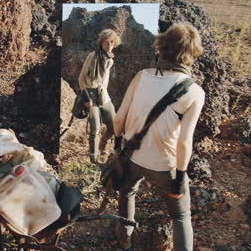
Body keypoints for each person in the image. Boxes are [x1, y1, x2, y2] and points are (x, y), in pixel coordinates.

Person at [113, 22, 205, 251]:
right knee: (181, 216)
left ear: (162, 46)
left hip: (133, 157)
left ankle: (124, 241)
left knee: (127, 192)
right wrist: (180, 178)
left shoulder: (141, 76)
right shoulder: (194, 91)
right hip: (165, 166)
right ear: (191, 53)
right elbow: (184, 142)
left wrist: (118, 146)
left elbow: (118, 119)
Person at [78, 29, 121, 164]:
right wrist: (86, 98)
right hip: (90, 95)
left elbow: (104, 82)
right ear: (101, 43)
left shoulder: (110, 59)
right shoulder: (92, 56)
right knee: (95, 128)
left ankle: (103, 145)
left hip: (104, 96)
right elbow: (81, 78)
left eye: (112, 42)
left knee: (114, 127)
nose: (109, 44)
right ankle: (94, 158)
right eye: (107, 41)